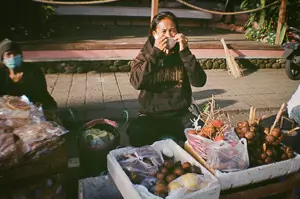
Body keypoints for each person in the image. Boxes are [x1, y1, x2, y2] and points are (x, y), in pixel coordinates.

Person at [127, 11, 207, 147]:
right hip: (151, 116)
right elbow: (136, 82)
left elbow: (199, 81)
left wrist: (185, 52)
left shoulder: (182, 54)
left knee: (204, 136)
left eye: (172, 31)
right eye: (163, 32)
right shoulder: (145, 54)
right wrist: (156, 54)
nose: (169, 36)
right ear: (154, 34)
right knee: (136, 133)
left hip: (180, 115)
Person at [0, 38, 57, 111]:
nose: (13, 57)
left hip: (31, 105)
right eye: (9, 54)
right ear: (2, 58)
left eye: (16, 53)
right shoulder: (1, 73)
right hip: (6, 107)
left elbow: (41, 93)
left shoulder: (33, 70)